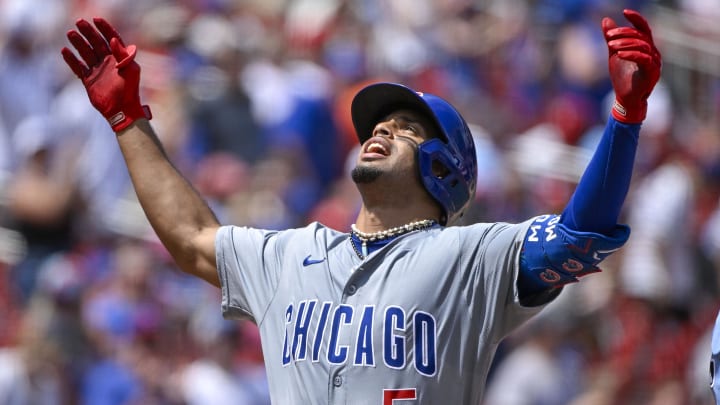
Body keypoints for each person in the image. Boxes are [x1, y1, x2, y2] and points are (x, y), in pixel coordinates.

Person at [60, 9, 661, 404]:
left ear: (443, 169)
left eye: (404, 127)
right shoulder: (291, 254)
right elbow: (190, 235)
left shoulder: (471, 258)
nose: (379, 130)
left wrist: (626, 118)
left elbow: (580, 233)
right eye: (378, 123)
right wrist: (126, 118)